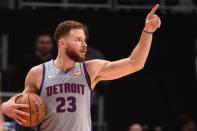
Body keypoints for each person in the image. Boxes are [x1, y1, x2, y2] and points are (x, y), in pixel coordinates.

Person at [0, 4, 161, 131]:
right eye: (78, 39)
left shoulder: (91, 69)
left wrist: (148, 31)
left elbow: (135, 63)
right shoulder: (38, 73)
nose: (84, 44)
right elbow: (22, 105)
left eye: (84, 40)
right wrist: (5, 107)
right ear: (62, 43)